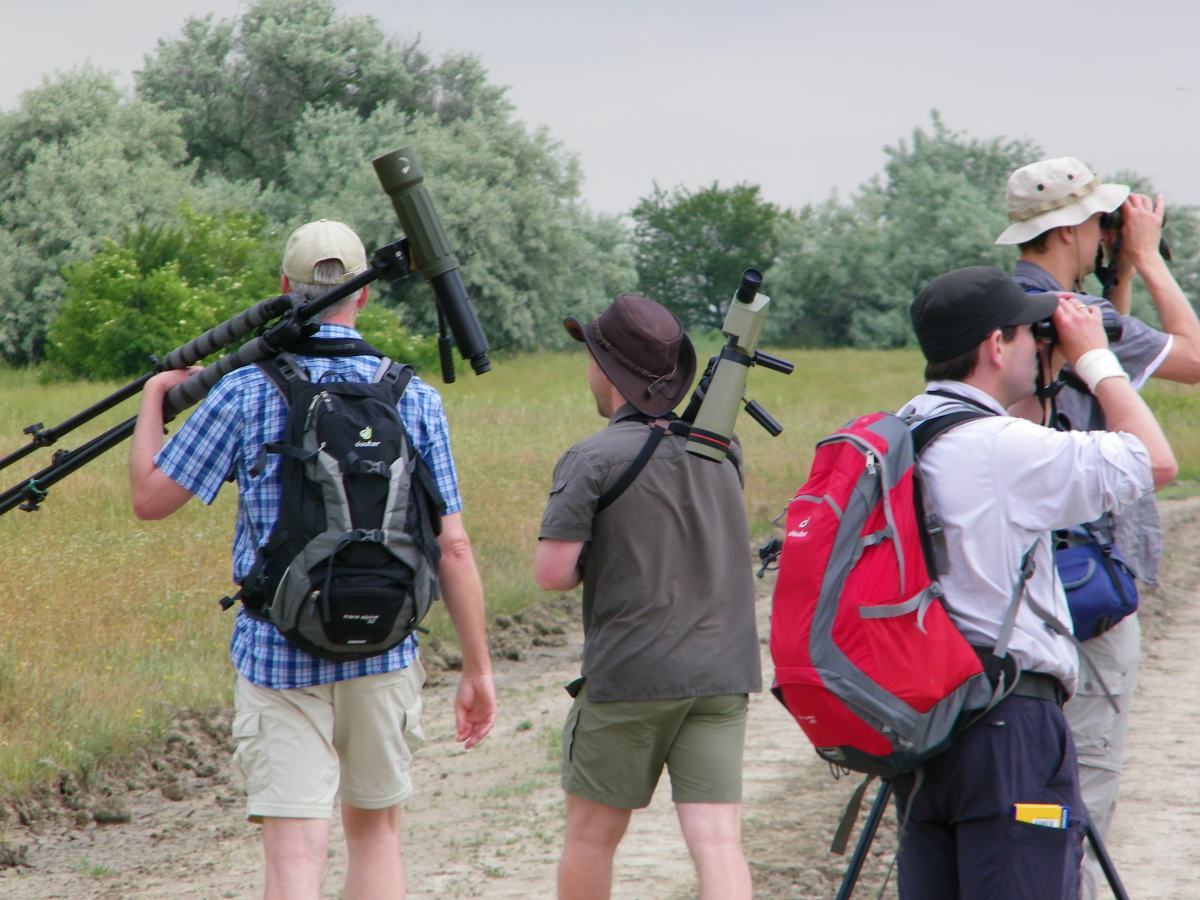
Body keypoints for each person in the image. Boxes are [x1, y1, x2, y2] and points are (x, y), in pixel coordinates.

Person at [129, 219, 495, 900]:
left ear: (283, 287)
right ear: (363, 295)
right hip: (384, 650)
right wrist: (477, 668)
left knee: (295, 855)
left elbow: (151, 499)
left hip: (279, 652)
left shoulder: (244, 390)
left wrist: (156, 396)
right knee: (376, 835)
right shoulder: (415, 396)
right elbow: (454, 546)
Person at [893, 266, 1176, 898]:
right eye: (1026, 334)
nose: (1034, 345)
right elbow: (1155, 460)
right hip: (1008, 725)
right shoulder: (1001, 448)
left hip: (923, 725)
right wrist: (1096, 359)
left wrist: (1042, 375)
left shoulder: (903, 428)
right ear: (996, 345)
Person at [996, 156, 1200, 898]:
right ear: (1070, 230)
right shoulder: (1079, 317)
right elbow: (1195, 358)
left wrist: (1114, 276)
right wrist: (1146, 256)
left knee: (1023, 775)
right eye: (1097, 225)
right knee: (1084, 774)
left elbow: (1094, 362)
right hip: (1086, 584)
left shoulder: (998, 309)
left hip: (1007, 581)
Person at [532, 293, 761, 900]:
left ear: (606, 369)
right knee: (719, 843)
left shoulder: (590, 458)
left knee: (591, 838)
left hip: (632, 674)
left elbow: (552, 574)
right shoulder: (724, 449)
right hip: (722, 674)